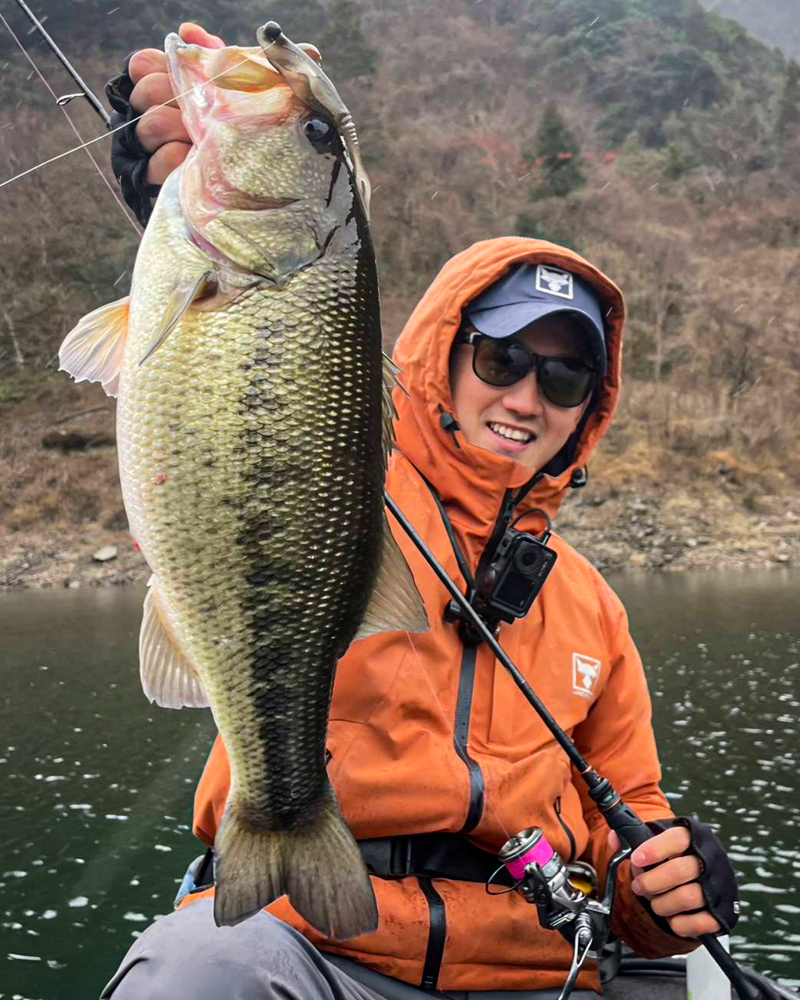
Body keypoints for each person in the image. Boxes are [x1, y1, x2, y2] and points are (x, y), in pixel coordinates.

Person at [99, 23, 739, 1000]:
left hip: (537, 969)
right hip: (318, 946)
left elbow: (631, 831)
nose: (526, 395)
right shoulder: (359, 486)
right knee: (197, 970)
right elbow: (257, 396)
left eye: (564, 376)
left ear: (590, 408)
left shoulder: (594, 611)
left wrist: (668, 883)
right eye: (501, 357)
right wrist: (165, 208)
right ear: (446, 355)